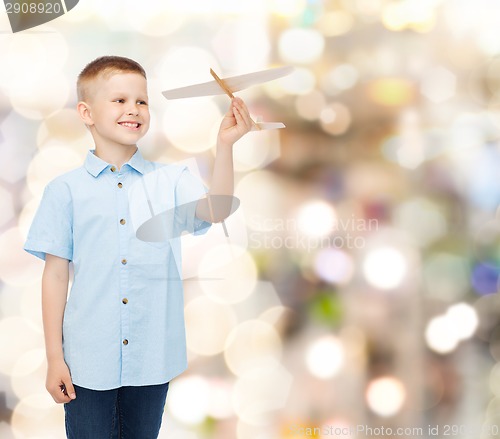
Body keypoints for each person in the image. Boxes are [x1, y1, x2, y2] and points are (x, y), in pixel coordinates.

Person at [23, 55, 253, 438]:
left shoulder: (171, 180)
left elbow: (215, 209)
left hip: (151, 359)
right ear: (86, 112)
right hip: (86, 360)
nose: (134, 109)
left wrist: (225, 145)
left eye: (142, 101)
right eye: (119, 100)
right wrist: (54, 357)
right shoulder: (64, 191)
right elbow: (56, 274)